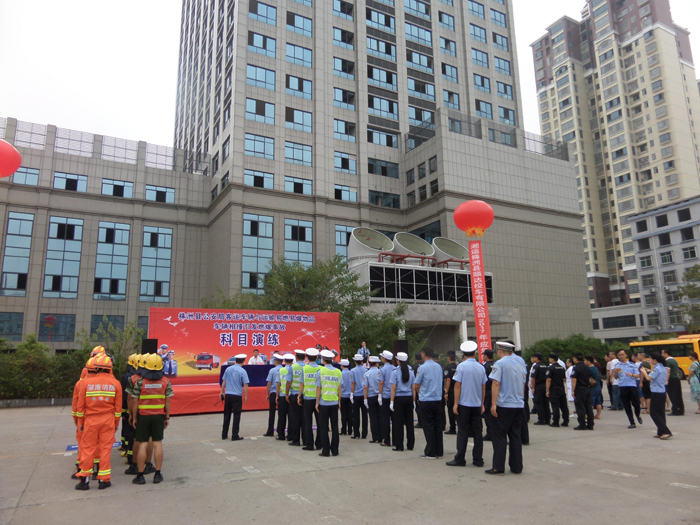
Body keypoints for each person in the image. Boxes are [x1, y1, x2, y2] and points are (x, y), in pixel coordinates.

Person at [74, 354, 122, 491]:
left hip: (90, 420)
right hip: (108, 420)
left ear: (96, 368)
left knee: (87, 449)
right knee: (105, 449)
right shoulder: (116, 383)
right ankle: (103, 480)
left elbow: (80, 406)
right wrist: (116, 423)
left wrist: (80, 422)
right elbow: (118, 408)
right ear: (110, 368)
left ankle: (84, 481)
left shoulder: (86, 383)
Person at [131, 354, 174, 485]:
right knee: (157, 444)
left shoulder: (140, 382)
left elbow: (134, 401)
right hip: (159, 416)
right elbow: (167, 401)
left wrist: (134, 417)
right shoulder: (166, 381)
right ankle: (157, 474)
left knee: (143, 444)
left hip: (143, 415)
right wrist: (167, 416)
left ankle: (140, 475)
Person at [486, 341, 527, 476]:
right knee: (515, 436)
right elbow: (523, 385)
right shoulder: (520, 365)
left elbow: (496, 383)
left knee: (499, 436)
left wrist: (493, 404)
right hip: (518, 404)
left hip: (504, 405)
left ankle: (498, 467)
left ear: (500, 351)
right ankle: (517, 466)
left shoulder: (500, 364)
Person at [446, 341, 487, 467]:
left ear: (463, 353)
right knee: (477, 432)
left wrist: (455, 403)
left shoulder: (461, 367)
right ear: (475, 353)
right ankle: (478, 459)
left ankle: (460, 458)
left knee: (463, 431)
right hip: (476, 404)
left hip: (464, 403)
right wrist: (482, 403)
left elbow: (457, 385)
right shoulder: (481, 367)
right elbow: (483, 387)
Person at [125, 354, 155, 476]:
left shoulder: (133, 379)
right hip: (153, 412)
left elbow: (130, 399)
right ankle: (148, 464)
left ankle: (135, 465)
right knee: (150, 438)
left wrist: (131, 415)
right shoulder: (156, 379)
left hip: (138, 412)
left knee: (137, 439)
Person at [415, 347, 444, 459]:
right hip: (437, 399)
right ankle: (439, 451)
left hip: (426, 399)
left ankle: (430, 452)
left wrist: (420, 394)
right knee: (438, 425)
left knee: (428, 426)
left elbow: (417, 384)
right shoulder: (438, 366)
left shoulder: (422, 368)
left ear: (423, 354)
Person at [71, 357, 96, 480]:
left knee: (84, 445)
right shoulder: (107, 383)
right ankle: (97, 469)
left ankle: (81, 469)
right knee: (98, 445)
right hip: (96, 418)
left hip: (85, 418)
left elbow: (76, 403)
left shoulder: (80, 384)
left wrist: (77, 419)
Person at [315, 350, 343, 457]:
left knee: (324, 427)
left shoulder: (320, 372)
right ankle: (335, 450)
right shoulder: (338, 372)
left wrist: (317, 403)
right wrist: (339, 401)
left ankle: (325, 450)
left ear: (323, 360)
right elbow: (339, 388)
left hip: (324, 402)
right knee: (335, 427)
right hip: (334, 402)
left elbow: (318, 388)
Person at [640, 353, 672, 439]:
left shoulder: (657, 368)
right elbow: (656, 374)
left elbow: (648, 378)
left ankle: (666, 431)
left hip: (657, 393)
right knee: (661, 413)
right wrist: (649, 371)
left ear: (655, 360)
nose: (650, 360)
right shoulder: (662, 367)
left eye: (651, 359)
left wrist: (644, 372)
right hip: (662, 392)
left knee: (654, 413)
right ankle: (661, 432)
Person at [390, 352, 416, 452]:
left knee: (398, 423)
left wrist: (391, 401)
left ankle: (399, 446)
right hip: (409, 398)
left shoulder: (395, 372)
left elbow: (393, 388)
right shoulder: (411, 372)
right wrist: (414, 401)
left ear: (399, 361)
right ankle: (410, 444)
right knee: (409, 422)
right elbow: (413, 388)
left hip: (399, 399)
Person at [220, 353, 249, 441]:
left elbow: (224, 381)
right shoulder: (242, 371)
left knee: (227, 415)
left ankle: (224, 434)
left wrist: (222, 392)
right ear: (243, 361)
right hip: (237, 395)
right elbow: (245, 384)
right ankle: (234, 435)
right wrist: (246, 395)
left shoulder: (228, 369)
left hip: (228, 394)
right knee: (236, 415)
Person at [612, 350, 642, 429]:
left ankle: (638, 415)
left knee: (636, 403)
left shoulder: (631, 364)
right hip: (622, 386)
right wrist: (615, 372)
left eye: (622, 354)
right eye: (619, 355)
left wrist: (631, 375)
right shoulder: (617, 365)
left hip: (632, 386)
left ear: (626, 355)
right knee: (626, 405)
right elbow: (616, 377)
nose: (621, 356)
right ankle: (632, 422)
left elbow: (638, 375)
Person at [506, 343, 529, 446]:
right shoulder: (520, 359)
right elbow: (524, 375)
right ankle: (524, 438)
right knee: (521, 416)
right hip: (519, 389)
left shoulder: (511, 359)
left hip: (513, 390)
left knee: (514, 418)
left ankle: (517, 438)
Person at [299, 348, 321, 451]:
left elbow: (302, 384)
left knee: (307, 422)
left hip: (307, 398)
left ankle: (309, 444)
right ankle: (319, 443)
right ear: (317, 357)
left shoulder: (304, 369)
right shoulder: (321, 369)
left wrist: (299, 396)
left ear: (307, 357)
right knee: (320, 422)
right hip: (318, 399)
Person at [119, 354, 138, 470]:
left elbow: (125, 394)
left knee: (128, 429)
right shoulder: (141, 377)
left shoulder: (127, 377)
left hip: (128, 407)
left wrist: (123, 409)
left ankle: (129, 453)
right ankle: (129, 452)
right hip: (138, 409)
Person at [286, 349, 306, 446]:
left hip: (294, 394)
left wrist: (286, 394)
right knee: (305, 419)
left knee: (295, 418)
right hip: (305, 396)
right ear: (304, 358)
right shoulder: (307, 367)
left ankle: (296, 440)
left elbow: (288, 382)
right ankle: (306, 440)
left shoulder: (292, 367)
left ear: (296, 357)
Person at [571, 353, 594, 431]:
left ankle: (582, 424)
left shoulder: (576, 368)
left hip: (579, 389)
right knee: (588, 407)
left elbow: (574, 379)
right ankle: (590, 424)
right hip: (587, 388)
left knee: (580, 407)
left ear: (575, 359)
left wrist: (573, 390)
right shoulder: (586, 367)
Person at [545, 353, 569, 427]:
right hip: (561, 388)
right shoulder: (562, 368)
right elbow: (564, 379)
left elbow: (548, 380)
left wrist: (547, 390)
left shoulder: (551, 368)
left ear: (552, 359)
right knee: (563, 405)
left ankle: (556, 421)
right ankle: (566, 420)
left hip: (554, 388)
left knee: (555, 405)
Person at [377, 350, 395, 446]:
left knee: (385, 419)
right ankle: (396, 440)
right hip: (393, 396)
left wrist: (379, 395)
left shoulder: (382, 369)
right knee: (395, 419)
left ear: (384, 358)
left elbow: (381, 383)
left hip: (385, 396)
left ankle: (387, 440)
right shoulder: (395, 368)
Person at [276, 354, 294, 441]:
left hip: (283, 395)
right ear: (292, 361)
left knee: (281, 416)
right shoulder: (293, 370)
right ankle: (290, 435)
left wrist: (277, 396)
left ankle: (281, 435)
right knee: (291, 416)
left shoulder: (281, 370)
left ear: (284, 361)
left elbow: (278, 384)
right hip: (291, 395)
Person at [363, 355, 381, 443]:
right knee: (380, 416)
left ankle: (375, 437)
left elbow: (365, 387)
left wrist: (365, 398)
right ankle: (381, 436)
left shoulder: (367, 373)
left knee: (373, 417)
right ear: (377, 363)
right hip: (380, 396)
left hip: (371, 396)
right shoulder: (380, 372)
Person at [661, 348, 685, 416]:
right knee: (678, 395)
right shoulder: (674, 360)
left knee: (673, 395)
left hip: (671, 379)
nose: (661, 355)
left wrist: (666, 380)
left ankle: (675, 410)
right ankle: (680, 410)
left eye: (662, 353)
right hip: (676, 378)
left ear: (666, 354)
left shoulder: (668, 361)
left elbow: (668, 371)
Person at [264, 354, 282, 437]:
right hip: (281, 393)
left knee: (272, 412)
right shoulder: (284, 370)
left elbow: (269, 383)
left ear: (276, 361)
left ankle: (270, 431)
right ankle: (280, 430)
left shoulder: (272, 370)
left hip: (273, 392)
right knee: (281, 413)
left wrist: (267, 393)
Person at [350, 353, 368, 439]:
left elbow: (353, 383)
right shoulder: (366, 370)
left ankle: (356, 433)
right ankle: (364, 433)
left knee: (356, 415)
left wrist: (351, 393)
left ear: (355, 361)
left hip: (356, 395)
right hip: (364, 394)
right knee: (365, 415)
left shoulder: (352, 371)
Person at [530, 353, 550, 425]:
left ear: (536, 358)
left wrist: (533, 387)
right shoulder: (545, 366)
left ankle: (541, 419)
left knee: (539, 403)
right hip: (545, 385)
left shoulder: (536, 366)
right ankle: (547, 419)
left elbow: (533, 378)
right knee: (546, 403)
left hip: (538, 386)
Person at [443, 351, 458, 435]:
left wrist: (446, 392)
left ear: (448, 358)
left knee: (450, 409)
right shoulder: (458, 366)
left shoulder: (447, 368)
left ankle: (452, 428)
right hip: (458, 390)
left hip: (451, 390)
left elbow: (448, 380)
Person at [482, 349, 495, 440]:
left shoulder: (484, 367)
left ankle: (490, 433)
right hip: (497, 391)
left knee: (487, 413)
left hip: (487, 391)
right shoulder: (497, 365)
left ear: (486, 356)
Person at [585, 355, 603, 420]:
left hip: (592, 387)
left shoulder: (589, 369)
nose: (584, 362)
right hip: (598, 386)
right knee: (598, 402)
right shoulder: (596, 368)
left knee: (591, 402)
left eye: (585, 360)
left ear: (588, 361)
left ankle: (588, 414)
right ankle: (598, 415)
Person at [339, 358, 354, 435]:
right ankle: (350, 429)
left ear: (342, 365)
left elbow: (340, 386)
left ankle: (344, 429)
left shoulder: (341, 374)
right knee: (350, 413)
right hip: (350, 396)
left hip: (343, 396)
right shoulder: (351, 373)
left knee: (343, 413)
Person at [413, 353, 424, 428]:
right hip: (425, 388)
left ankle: (420, 422)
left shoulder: (414, 366)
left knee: (418, 406)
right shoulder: (425, 365)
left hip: (417, 388)